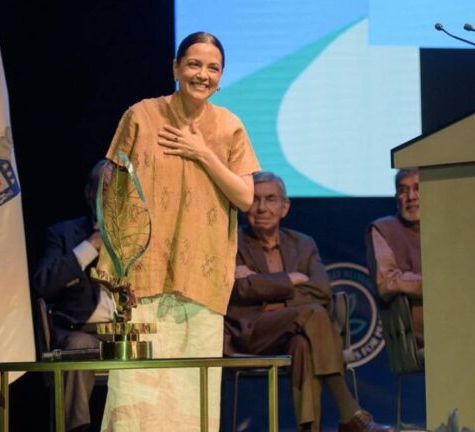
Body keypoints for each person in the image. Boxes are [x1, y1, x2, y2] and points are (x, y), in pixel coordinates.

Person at [97, 31, 260, 431]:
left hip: (201, 280)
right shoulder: (141, 116)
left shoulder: (229, 126)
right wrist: (116, 272)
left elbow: (245, 197)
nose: (202, 75)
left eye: (212, 68)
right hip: (143, 278)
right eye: (194, 64)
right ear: (175, 67)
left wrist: (203, 153)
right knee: (137, 395)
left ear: (221, 78)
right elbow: (113, 197)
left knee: (192, 394)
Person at [225, 171, 394, 432]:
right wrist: (290, 278)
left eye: (270, 199)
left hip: (292, 333)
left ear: (285, 207)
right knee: (312, 314)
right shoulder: (232, 242)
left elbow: (322, 290)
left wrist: (269, 293)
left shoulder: (303, 243)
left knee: (303, 344)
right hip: (251, 333)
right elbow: (241, 290)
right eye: (254, 199)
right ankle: (350, 412)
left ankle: (309, 429)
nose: (261, 207)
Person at [33, 160, 115, 432]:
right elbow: (43, 284)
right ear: (92, 195)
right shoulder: (64, 234)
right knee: (80, 347)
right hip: (80, 331)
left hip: (128, 333)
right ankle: (74, 429)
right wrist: (91, 246)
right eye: (108, 191)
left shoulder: (142, 237)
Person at [365, 168, 423, 346]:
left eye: (417, 188)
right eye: (403, 190)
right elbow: (387, 281)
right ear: (396, 196)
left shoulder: (448, 225)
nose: (411, 196)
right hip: (414, 324)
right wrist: (435, 285)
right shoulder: (383, 229)